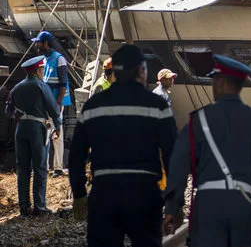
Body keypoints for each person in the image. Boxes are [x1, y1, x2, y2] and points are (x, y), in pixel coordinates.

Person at [162, 54, 251, 247]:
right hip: (244, 204)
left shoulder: (198, 121)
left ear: (220, 83)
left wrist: (172, 208)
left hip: (209, 204)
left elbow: (179, 166)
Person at [68, 44, 177, 247]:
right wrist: (174, 201)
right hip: (144, 193)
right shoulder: (157, 106)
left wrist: (79, 193)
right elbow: (172, 155)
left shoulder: (94, 106)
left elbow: (77, 153)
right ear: (141, 71)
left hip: (104, 192)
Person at [6, 56, 61, 216]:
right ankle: (40, 206)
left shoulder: (16, 87)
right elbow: (54, 109)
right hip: (37, 129)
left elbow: (8, 110)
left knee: (22, 168)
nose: (43, 72)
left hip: (20, 129)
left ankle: (24, 207)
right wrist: (57, 126)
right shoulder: (41, 86)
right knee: (39, 167)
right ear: (38, 70)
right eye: (42, 69)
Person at [31, 30, 71, 178]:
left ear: (46, 43)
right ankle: (44, 167)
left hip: (56, 102)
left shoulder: (59, 59)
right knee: (45, 133)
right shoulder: (44, 59)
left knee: (57, 132)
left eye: (39, 42)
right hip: (47, 101)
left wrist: (59, 102)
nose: (37, 44)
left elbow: (63, 83)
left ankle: (58, 167)